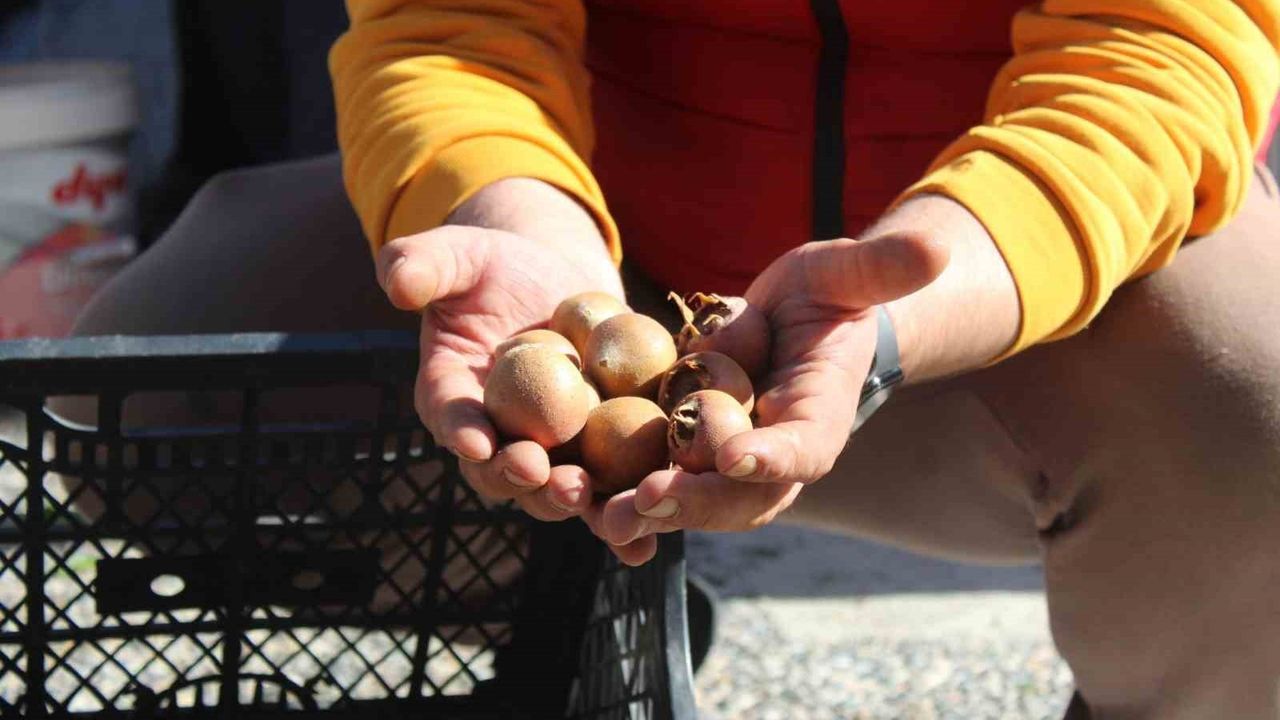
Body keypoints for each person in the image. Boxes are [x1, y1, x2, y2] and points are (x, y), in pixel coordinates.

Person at [70, 0, 1280, 717]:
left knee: (1258, 409)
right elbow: (450, 29)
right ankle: (581, 602)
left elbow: (1152, 60)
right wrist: (513, 218)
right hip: (603, 270)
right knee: (141, 389)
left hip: (995, 293)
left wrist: (918, 287)